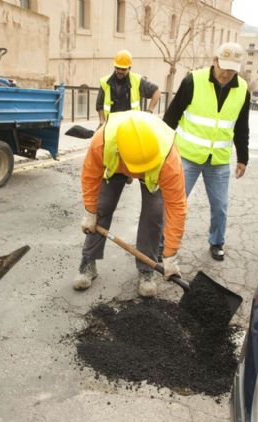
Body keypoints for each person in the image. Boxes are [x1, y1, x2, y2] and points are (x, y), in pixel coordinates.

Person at [72, 110, 186, 298]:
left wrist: (170, 254)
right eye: (136, 172)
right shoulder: (103, 141)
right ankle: (88, 263)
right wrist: (90, 212)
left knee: (154, 215)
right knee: (102, 207)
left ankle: (146, 270)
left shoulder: (168, 157)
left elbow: (177, 207)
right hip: (117, 166)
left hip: (154, 170)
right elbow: (90, 177)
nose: (137, 175)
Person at [162, 42, 250, 262]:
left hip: (218, 160)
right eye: (223, 67)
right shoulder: (193, 80)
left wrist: (243, 157)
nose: (226, 73)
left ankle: (217, 242)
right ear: (215, 60)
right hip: (187, 156)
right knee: (175, 202)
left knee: (220, 206)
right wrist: (162, 149)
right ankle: (162, 242)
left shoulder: (242, 90)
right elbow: (171, 117)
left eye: (232, 69)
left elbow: (241, 126)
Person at [96, 49, 161, 126]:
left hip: (131, 126)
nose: (120, 71)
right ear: (114, 66)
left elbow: (156, 92)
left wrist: (149, 111)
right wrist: (102, 120)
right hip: (111, 125)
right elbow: (99, 105)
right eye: (118, 68)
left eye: (123, 69)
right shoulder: (105, 82)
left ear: (129, 68)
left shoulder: (137, 80)